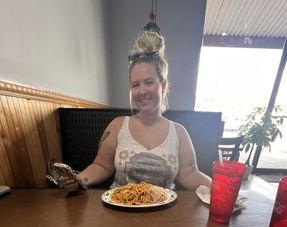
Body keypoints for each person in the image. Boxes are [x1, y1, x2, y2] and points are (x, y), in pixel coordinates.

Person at [59, 30, 211, 192]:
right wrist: (78, 179)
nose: (142, 91)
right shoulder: (117, 125)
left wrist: (218, 186)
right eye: (136, 84)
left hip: (164, 210)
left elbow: (189, 173)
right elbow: (102, 166)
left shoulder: (179, 132)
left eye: (149, 82)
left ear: (164, 85)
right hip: (120, 207)